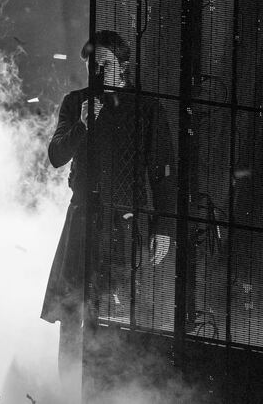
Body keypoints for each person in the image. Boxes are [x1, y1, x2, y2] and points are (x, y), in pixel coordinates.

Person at [41, 31, 175, 382]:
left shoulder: (146, 108)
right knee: (72, 307)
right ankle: (67, 386)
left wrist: (163, 228)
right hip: (83, 217)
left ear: (123, 67)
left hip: (124, 224)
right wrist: (83, 124)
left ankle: (109, 385)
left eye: (106, 65)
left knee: (117, 306)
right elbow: (56, 156)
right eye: (92, 65)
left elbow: (162, 173)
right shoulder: (76, 103)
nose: (98, 73)